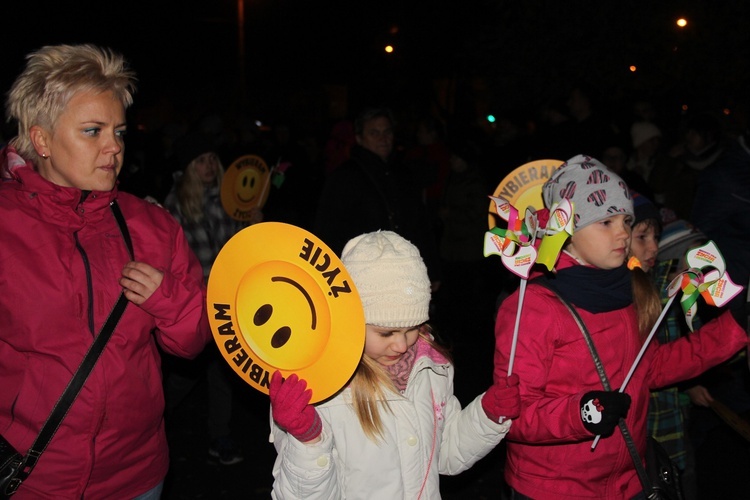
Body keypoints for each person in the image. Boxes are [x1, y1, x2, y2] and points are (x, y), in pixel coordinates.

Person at [0, 44, 210, 498]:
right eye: (92, 131)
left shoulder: (151, 225)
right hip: (36, 478)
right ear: (41, 141)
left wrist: (169, 300)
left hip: (135, 475)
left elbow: (194, 341)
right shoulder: (6, 226)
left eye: (117, 131)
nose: (113, 147)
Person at [492, 154, 747, 499]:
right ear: (566, 230)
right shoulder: (532, 307)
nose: (623, 234)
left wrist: (733, 328)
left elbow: (651, 367)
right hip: (556, 488)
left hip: (629, 481)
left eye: (626, 221)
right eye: (605, 222)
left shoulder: (625, 292)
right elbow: (512, 413)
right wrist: (581, 414)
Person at [269, 230, 521, 499]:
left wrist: (486, 417)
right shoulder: (322, 389)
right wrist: (308, 441)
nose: (402, 345)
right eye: (386, 333)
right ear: (351, 321)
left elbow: (445, 454)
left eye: (412, 328)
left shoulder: (431, 368)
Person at [162, 143, 262, 465]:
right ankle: (153, 420)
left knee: (223, 371)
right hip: (193, 303)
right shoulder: (175, 205)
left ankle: (220, 436)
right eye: (200, 159)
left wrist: (253, 222)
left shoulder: (228, 199)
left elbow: (241, 244)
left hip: (225, 300)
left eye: (211, 159)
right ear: (190, 167)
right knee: (185, 375)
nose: (208, 165)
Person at [314, 107, 442, 289]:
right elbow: (328, 230)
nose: (383, 138)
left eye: (387, 131)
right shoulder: (344, 177)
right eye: (374, 133)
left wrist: (431, 268)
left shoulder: (404, 175)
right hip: (362, 277)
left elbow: (420, 224)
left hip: (404, 275)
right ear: (359, 138)